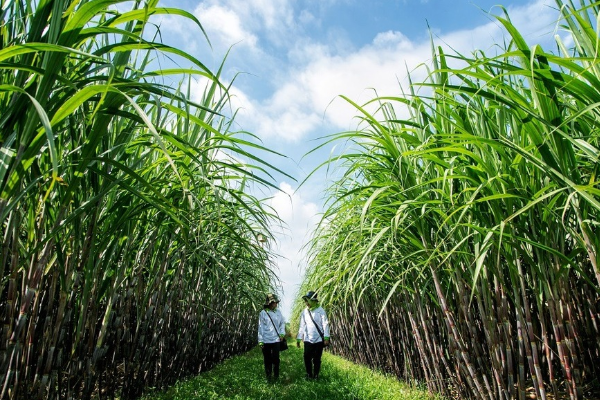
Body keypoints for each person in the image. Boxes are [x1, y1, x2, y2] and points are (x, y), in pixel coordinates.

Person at [296, 291, 330, 380]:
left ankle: (316, 375)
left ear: (313, 300)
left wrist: (326, 337)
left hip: (318, 339)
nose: (306, 303)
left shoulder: (321, 311)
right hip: (308, 339)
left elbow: (325, 324)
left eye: (307, 301)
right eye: (305, 301)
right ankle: (309, 374)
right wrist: (299, 338)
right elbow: (302, 325)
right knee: (306, 357)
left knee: (317, 359)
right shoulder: (305, 312)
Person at [257, 293, 286, 381]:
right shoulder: (263, 313)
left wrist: (281, 334)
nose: (276, 304)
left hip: (276, 340)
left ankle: (276, 376)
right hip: (266, 340)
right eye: (274, 302)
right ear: (269, 303)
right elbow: (260, 327)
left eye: (276, 302)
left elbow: (282, 323)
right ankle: (268, 377)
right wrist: (260, 340)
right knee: (267, 359)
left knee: (276, 359)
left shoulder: (278, 312)